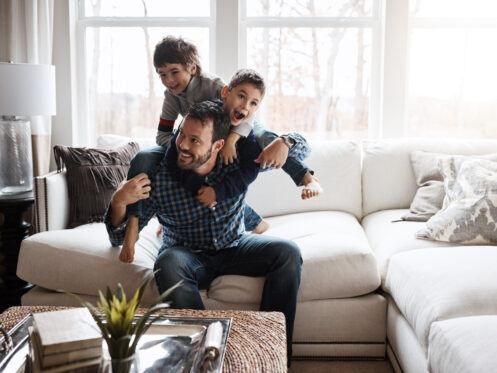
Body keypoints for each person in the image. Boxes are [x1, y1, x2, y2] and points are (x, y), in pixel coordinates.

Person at [105, 101, 302, 364]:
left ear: (218, 145)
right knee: (167, 263)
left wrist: (286, 142)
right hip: (187, 255)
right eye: (181, 135)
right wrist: (119, 200)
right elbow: (118, 239)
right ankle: (204, 359)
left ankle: (272, 354)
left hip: (235, 245)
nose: (183, 145)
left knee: (288, 253)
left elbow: (302, 151)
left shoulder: (237, 161)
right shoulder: (160, 175)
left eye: (195, 140)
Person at [121, 35, 322, 261]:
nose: (168, 80)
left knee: (266, 141)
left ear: (192, 68)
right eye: (162, 74)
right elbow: (162, 135)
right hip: (198, 145)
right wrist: (184, 146)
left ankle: (306, 177)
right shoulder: (172, 97)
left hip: (240, 130)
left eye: (174, 72)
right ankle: (134, 224)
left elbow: (240, 113)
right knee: (144, 157)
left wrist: (233, 140)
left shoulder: (213, 86)